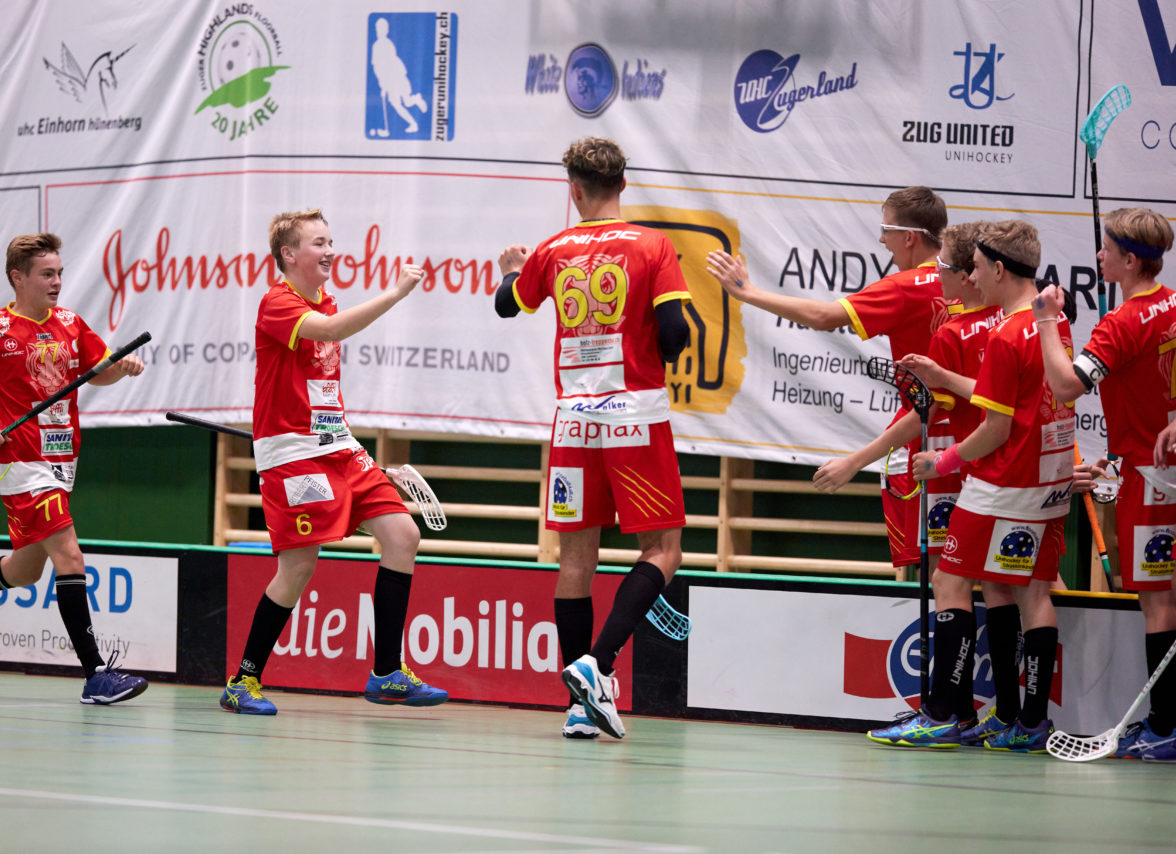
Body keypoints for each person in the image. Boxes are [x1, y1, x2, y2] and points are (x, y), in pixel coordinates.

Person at [495, 137, 691, 739]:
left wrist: (509, 270)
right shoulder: (653, 245)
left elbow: (508, 306)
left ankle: (579, 710)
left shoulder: (553, 249)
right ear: (622, 186)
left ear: (573, 189)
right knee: (663, 550)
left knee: (576, 561)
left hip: (573, 422)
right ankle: (596, 664)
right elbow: (676, 332)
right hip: (634, 416)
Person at [221, 208, 448, 715]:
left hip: (337, 445)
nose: (330, 250)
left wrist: (350, 447)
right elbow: (332, 330)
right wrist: (393, 293)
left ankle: (387, 672)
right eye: (318, 242)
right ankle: (244, 680)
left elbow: (322, 386)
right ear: (289, 254)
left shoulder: (324, 300)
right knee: (300, 565)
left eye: (330, 241)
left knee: (403, 536)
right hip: (293, 457)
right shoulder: (278, 304)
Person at [0, 233, 148, 704]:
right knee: (70, 556)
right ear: (18, 278)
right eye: (46, 274)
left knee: (24, 570)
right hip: (22, 463)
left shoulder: (71, 323)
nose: (57, 282)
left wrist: (123, 366)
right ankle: (95, 673)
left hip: (63, 459)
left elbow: (98, 369)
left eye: (59, 272)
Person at [883, 220, 1072, 752]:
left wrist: (941, 462)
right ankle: (1026, 721)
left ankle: (944, 714)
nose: (972, 278)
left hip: (1003, 479)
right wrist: (945, 380)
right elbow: (1020, 397)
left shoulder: (1007, 332)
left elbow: (997, 424)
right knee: (1030, 590)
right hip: (1048, 478)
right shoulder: (1051, 321)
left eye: (978, 269)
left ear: (998, 268)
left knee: (948, 582)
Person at [708, 187, 948, 576]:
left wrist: (746, 293)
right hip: (973, 436)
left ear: (909, 237)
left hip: (929, 439)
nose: (879, 239)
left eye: (885, 229)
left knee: (944, 581)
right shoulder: (971, 281)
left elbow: (823, 316)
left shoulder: (905, 288)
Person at [1037, 207, 1176, 761]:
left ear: (1129, 259)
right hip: (1155, 465)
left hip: (1151, 476)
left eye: (1106, 248)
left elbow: (1067, 386)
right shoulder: (1172, 302)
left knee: (1159, 604)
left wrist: (1047, 320)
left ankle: (1165, 726)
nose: (1098, 256)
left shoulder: (1124, 323)